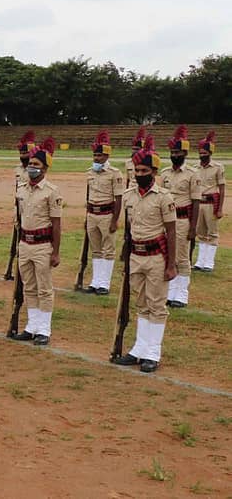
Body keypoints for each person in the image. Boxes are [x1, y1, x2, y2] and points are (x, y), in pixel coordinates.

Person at [113, 138, 177, 373]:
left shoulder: (164, 197)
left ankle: (153, 352)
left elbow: (171, 232)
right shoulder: (129, 195)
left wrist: (172, 265)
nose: (139, 174)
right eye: (137, 170)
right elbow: (128, 231)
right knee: (140, 303)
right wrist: (124, 256)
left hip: (156, 256)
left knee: (156, 304)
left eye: (144, 170)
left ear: (154, 172)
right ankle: (139, 348)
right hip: (136, 255)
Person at [10, 136, 62, 346]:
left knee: (44, 288)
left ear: (45, 168)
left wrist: (56, 252)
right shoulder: (21, 189)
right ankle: (32, 326)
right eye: (30, 164)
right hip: (25, 243)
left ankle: (44, 329)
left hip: (42, 245)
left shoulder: (52, 192)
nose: (31, 167)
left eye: (36, 165)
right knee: (28, 286)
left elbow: (56, 224)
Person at [160, 126, 200, 307]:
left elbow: (196, 202)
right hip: (165, 220)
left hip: (183, 220)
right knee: (168, 255)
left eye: (177, 152)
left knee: (182, 258)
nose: (174, 155)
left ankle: (181, 294)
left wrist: (193, 227)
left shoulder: (192, 174)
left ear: (184, 153)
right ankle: (170, 292)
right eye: (172, 152)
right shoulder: (165, 173)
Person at [84, 130, 124, 295]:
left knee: (108, 249)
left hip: (107, 214)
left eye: (100, 155)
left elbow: (118, 199)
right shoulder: (90, 172)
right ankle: (95, 281)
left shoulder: (115, 174)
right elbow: (88, 196)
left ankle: (104, 284)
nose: (96, 158)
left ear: (107, 156)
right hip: (92, 214)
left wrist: (115, 220)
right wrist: (86, 217)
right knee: (96, 249)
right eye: (95, 155)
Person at [193, 131, 225, 272]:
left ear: (210, 153)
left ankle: (209, 263)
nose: (202, 155)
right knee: (200, 232)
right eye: (200, 152)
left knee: (212, 233)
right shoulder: (195, 168)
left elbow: (222, 188)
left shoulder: (218, 167)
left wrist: (220, 209)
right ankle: (200, 262)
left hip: (212, 204)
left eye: (205, 152)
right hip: (199, 203)